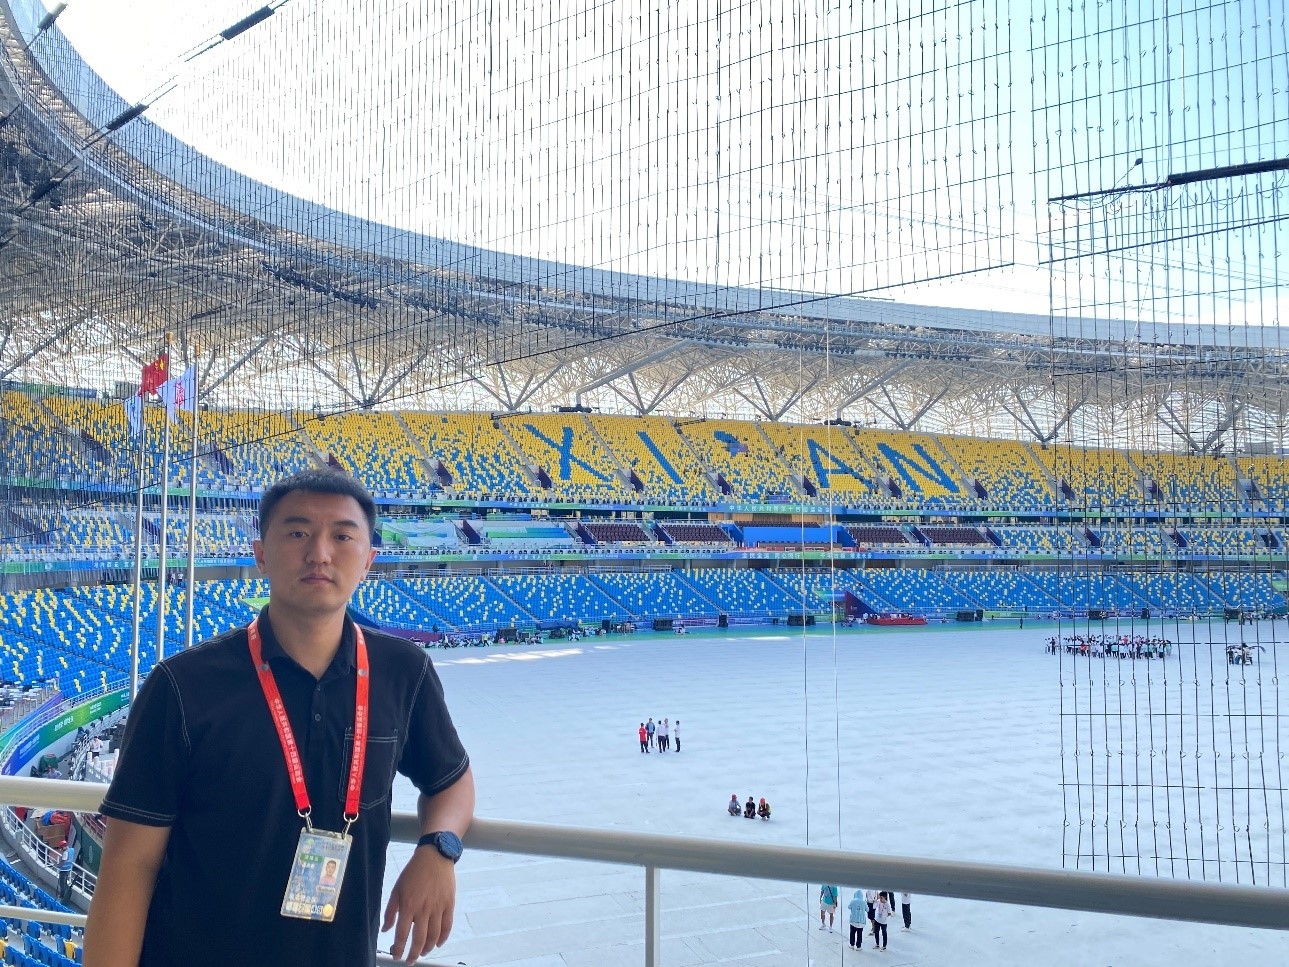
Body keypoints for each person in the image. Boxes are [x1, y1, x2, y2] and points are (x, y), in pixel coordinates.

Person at [84, 470, 475, 967]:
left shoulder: (404, 671)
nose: (320, 553)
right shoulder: (182, 687)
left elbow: (451, 780)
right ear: (261, 554)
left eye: (342, 536)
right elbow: (128, 867)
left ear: (368, 560)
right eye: (297, 532)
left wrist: (438, 850)